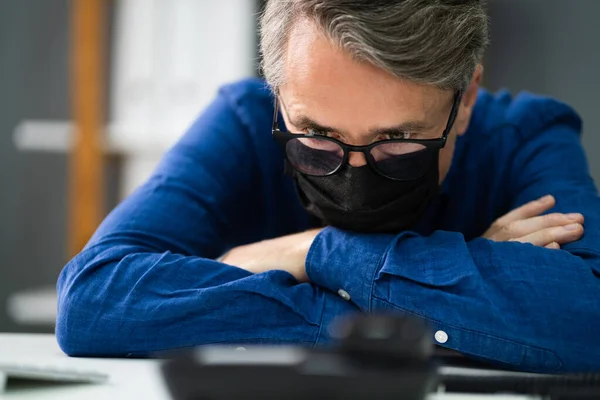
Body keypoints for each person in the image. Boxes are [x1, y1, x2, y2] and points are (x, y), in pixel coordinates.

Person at [56, 0, 600, 373]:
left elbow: (588, 317)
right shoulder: (245, 122)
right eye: (316, 134)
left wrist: (304, 255)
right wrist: (466, 299)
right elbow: (94, 300)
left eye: (398, 138)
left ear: (466, 100)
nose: (355, 174)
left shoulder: (526, 136)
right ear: (278, 96)